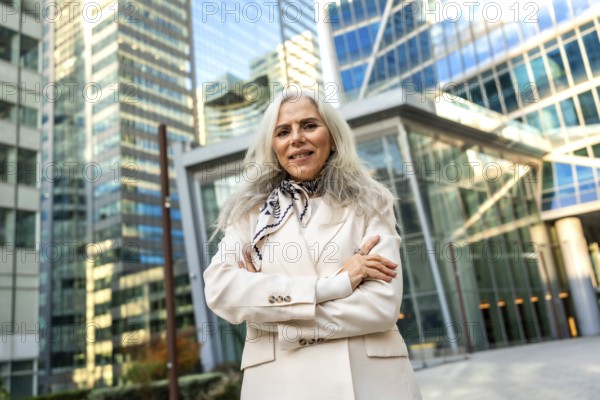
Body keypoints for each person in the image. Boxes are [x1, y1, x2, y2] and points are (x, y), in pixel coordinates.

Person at [203, 89, 422, 399]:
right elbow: (221, 289)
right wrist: (338, 285)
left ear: (332, 137)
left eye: (309, 125)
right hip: (280, 384)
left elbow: (380, 307)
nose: (296, 138)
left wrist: (273, 318)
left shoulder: (371, 203)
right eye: (283, 131)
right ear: (273, 145)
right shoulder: (250, 213)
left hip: (370, 382)